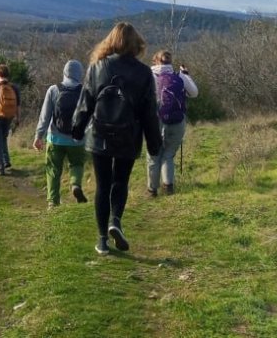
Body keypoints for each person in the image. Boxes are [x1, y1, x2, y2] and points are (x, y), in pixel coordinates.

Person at [71, 23, 162, 255]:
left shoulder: (97, 67)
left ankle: (102, 240)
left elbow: (86, 102)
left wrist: (77, 129)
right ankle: (116, 221)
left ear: (110, 41)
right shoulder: (144, 73)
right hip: (128, 135)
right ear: (136, 44)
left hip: (100, 134)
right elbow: (149, 112)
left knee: (102, 186)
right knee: (120, 182)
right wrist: (154, 144)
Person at [34, 60, 87, 207]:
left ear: (64, 72)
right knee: (76, 164)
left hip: (55, 139)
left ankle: (53, 202)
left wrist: (38, 136)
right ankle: (75, 184)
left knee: (53, 169)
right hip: (77, 140)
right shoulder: (86, 91)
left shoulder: (54, 89)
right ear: (80, 74)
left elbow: (45, 116)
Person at [148, 50, 199, 197]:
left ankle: (152, 190)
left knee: (154, 155)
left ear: (155, 61)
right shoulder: (179, 76)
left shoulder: (150, 76)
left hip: (156, 120)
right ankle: (168, 186)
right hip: (177, 120)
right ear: (170, 62)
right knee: (168, 154)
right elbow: (194, 93)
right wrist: (186, 74)